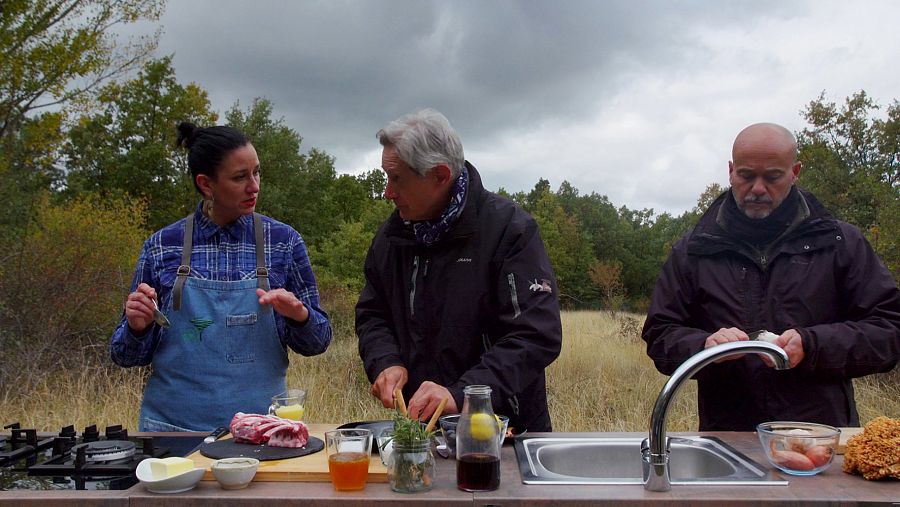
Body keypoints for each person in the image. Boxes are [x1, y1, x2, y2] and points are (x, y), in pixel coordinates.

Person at [642, 122, 900, 431]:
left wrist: (814, 345)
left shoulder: (839, 242)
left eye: (773, 176)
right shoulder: (695, 249)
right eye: (746, 175)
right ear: (730, 170)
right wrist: (705, 347)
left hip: (819, 441)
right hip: (728, 442)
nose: (758, 189)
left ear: (795, 172)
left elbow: (889, 330)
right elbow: (660, 335)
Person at [110, 122, 332, 432]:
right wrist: (137, 326)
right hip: (174, 436)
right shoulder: (162, 246)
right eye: (240, 177)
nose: (254, 186)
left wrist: (300, 316)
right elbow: (124, 355)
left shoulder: (283, 242)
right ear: (206, 184)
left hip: (263, 434)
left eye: (257, 172)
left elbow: (318, 342)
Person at [356, 108, 562, 432]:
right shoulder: (392, 237)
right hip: (420, 431)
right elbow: (372, 313)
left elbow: (536, 334)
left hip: (504, 434)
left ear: (439, 175)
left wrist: (462, 394)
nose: (387, 192)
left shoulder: (510, 231)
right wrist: (385, 361)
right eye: (386, 177)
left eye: (397, 179)